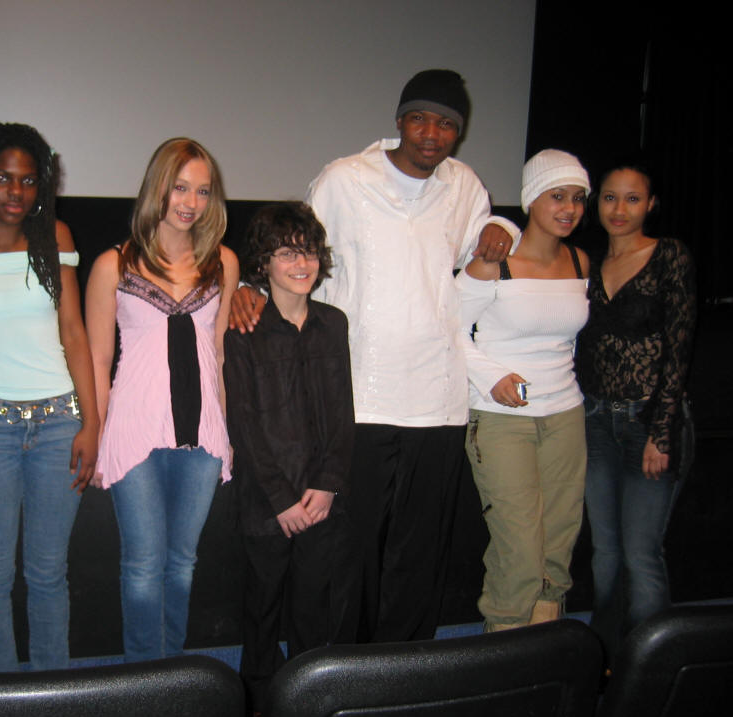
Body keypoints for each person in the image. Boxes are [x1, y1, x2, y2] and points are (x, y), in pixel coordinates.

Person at [231, 69, 518, 642]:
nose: (431, 133)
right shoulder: (345, 179)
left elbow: (484, 242)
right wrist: (252, 288)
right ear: (398, 121)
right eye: (419, 118)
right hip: (359, 398)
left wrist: (503, 226)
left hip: (437, 402)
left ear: (458, 133)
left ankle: (406, 672)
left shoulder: (464, 186)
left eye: (445, 124)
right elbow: (296, 248)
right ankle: (352, 677)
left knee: (419, 555)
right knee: (348, 555)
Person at [0, 123, 99, 672]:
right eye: (4, 178)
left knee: (48, 572)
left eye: (29, 180)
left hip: (59, 423)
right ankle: (0, 706)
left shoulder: (54, 236)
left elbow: (74, 332)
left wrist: (92, 424)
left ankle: (49, 701)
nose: (16, 191)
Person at [85, 138, 237, 662]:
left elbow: (217, 356)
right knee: (143, 568)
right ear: (158, 188)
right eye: (179, 187)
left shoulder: (223, 263)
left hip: (202, 436)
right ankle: (145, 684)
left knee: (182, 563)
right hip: (134, 432)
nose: (190, 201)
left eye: (202, 190)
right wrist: (101, 437)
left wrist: (226, 433)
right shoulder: (114, 264)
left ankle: (172, 680)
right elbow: (98, 362)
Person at [223, 202, 354, 717]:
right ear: (264, 262)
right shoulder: (245, 329)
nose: (301, 263)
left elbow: (343, 414)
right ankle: (256, 703)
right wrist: (280, 500)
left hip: (322, 501)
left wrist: (326, 486)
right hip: (266, 502)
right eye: (285, 253)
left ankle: (305, 703)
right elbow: (245, 424)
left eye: (308, 251)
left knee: (311, 610)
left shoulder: (333, 324)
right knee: (260, 611)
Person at [457, 150, 591, 630]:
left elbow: (564, 337)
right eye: (557, 196)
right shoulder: (496, 260)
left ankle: (544, 651)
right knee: (519, 543)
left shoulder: (580, 259)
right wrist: (490, 376)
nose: (569, 208)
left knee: (558, 541)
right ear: (532, 198)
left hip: (565, 414)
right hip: (500, 420)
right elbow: (447, 329)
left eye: (578, 198)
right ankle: (505, 649)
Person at [575, 161, 696, 661]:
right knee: (605, 554)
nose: (619, 209)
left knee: (641, 555)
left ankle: (653, 669)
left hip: (651, 424)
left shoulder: (670, 255)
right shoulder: (588, 262)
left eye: (632, 198)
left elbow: (679, 348)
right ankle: (607, 658)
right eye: (608, 197)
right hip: (597, 422)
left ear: (650, 205)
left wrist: (661, 431)